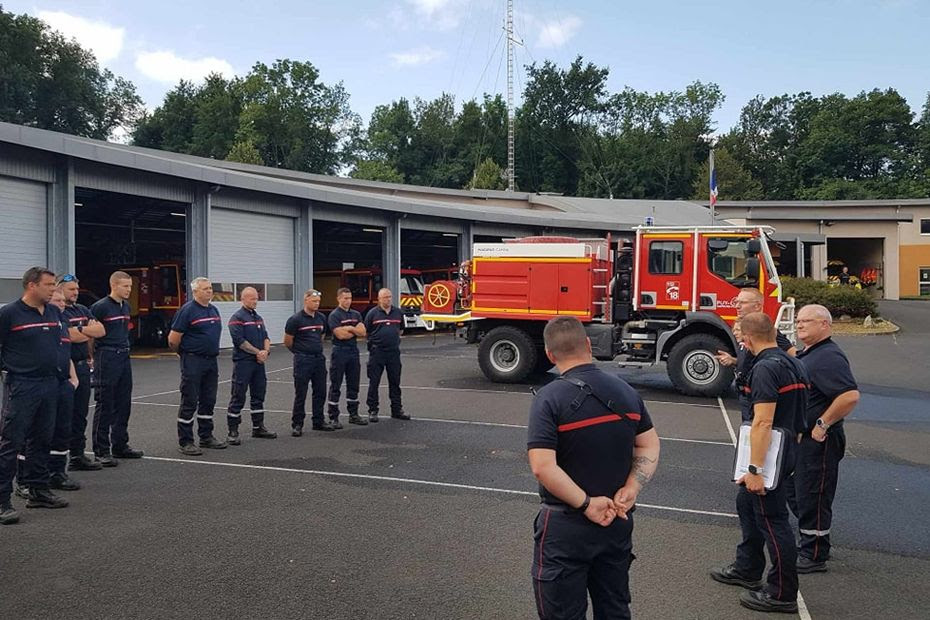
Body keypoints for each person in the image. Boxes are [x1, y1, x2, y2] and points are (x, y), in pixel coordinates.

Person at [527, 316, 660, 619]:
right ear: (588, 345)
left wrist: (586, 504)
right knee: (614, 609)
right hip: (617, 520)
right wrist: (632, 486)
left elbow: (542, 467)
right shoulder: (626, 391)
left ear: (550, 354)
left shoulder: (549, 398)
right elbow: (649, 444)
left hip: (566, 527)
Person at [711, 312, 808, 614]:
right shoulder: (794, 362)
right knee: (747, 506)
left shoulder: (765, 369)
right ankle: (748, 568)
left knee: (773, 521)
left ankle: (782, 593)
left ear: (748, 339)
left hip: (768, 456)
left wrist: (755, 470)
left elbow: (763, 422)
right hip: (787, 448)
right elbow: (799, 416)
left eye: (742, 337)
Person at [789, 304, 859, 573]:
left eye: (807, 320)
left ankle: (814, 554)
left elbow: (849, 395)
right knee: (796, 490)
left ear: (825, 325)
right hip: (804, 439)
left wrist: (822, 424)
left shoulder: (828, 357)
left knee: (814, 494)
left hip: (820, 441)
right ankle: (811, 540)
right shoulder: (811, 353)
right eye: (798, 320)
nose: (800, 325)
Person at [0, 267, 70, 525]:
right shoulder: (9, 314)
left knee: (42, 439)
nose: (54, 289)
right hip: (22, 385)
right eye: (49, 285)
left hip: (50, 384)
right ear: (32, 285)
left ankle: (38, 490)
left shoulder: (53, 312)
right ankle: (2, 500)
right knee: (11, 442)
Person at [16, 288, 82, 493]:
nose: (62, 303)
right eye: (57, 300)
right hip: (39, 383)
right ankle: (25, 480)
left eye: (63, 300)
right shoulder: (36, 321)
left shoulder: (62, 323)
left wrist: (73, 378)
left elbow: (65, 352)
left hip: (62, 384)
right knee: (32, 434)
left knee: (61, 430)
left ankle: (57, 473)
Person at [716, 287, 797, 422]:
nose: (737, 306)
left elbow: (794, 356)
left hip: (760, 394)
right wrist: (734, 361)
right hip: (744, 394)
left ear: (757, 306)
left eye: (743, 302)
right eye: (737, 302)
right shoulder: (743, 329)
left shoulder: (767, 331)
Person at [90, 271, 144, 465]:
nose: (129, 289)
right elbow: (91, 335)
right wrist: (91, 358)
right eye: (125, 286)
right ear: (114, 285)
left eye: (130, 286)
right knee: (105, 403)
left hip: (123, 355)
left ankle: (120, 445)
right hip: (106, 355)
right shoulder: (100, 307)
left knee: (123, 402)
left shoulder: (126, 306)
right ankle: (101, 450)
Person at [168, 277, 226, 456]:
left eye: (210, 288)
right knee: (190, 399)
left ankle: (206, 436)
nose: (209, 291)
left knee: (209, 399)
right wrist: (184, 354)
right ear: (195, 292)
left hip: (211, 361)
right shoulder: (187, 311)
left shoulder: (213, 309)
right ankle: (186, 441)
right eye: (205, 289)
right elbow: (173, 339)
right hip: (193, 360)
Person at [59, 274, 105, 471]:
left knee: (80, 414)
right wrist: (85, 329)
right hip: (65, 368)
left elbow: (101, 330)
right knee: (63, 416)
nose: (75, 293)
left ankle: (78, 455)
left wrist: (81, 330)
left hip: (83, 367)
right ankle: (59, 462)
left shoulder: (83, 309)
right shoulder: (58, 312)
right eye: (71, 289)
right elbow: (69, 336)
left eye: (76, 289)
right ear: (60, 289)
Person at [226, 286, 275, 443]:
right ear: (243, 299)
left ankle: (258, 427)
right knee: (238, 395)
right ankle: (233, 431)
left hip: (258, 364)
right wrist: (258, 353)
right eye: (252, 298)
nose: (255, 301)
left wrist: (265, 352)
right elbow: (240, 342)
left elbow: (266, 337)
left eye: (256, 298)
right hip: (243, 363)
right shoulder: (237, 318)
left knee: (259, 394)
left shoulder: (257, 317)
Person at [284, 289, 333, 435]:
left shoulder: (321, 318)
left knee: (320, 392)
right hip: (303, 360)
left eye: (318, 301)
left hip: (318, 359)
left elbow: (322, 336)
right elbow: (287, 341)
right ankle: (297, 424)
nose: (317, 304)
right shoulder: (295, 320)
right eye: (313, 301)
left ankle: (318, 421)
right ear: (306, 300)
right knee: (301, 393)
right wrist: (300, 353)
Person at [364, 288, 409, 423]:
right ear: (379, 299)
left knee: (395, 382)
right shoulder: (372, 314)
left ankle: (396, 409)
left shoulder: (398, 313)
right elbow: (367, 331)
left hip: (393, 352)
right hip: (377, 352)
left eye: (389, 297)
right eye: (385, 297)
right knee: (374, 382)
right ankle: (373, 410)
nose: (388, 299)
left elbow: (401, 330)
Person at [326, 287, 367, 426]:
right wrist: (352, 330)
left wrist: (350, 328)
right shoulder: (334, 315)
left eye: (350, 298)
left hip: (353, 351)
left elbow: (362, 332)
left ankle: (353, 414)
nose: (348, 301)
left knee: (353, 383)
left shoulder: (356, 314)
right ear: (338, 298)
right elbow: (340, 335)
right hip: (339, 351)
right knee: (336, 383)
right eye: (345, 298)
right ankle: (333, 417)